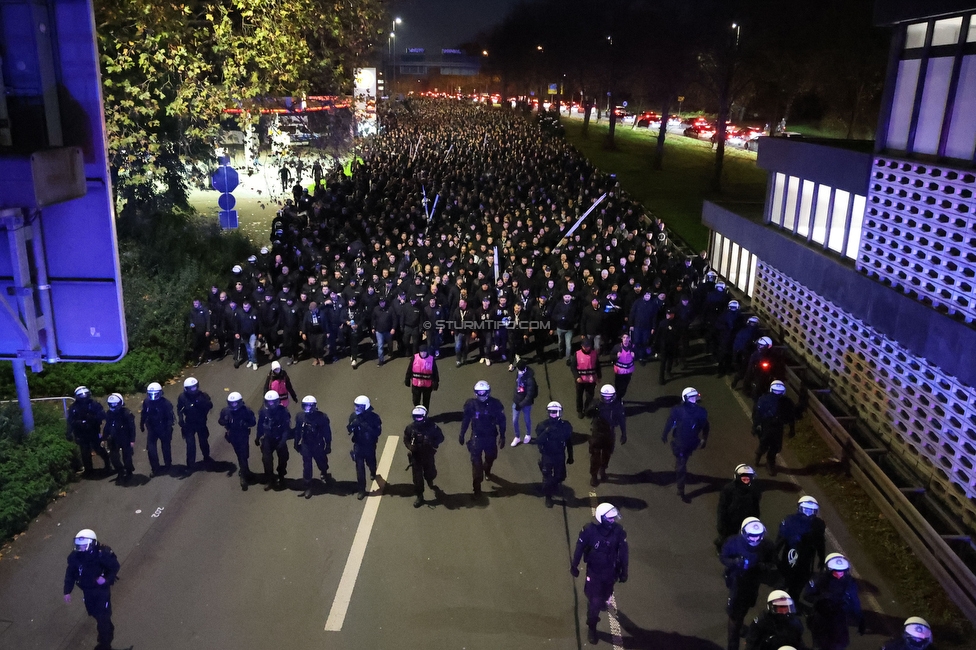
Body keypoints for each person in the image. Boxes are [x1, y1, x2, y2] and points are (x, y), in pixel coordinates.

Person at [570, 503, 629, 646]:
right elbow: (580, 548)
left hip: (610, 572)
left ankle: (597, 601)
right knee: (595, 602)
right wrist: (574, 565)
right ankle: (592, 626)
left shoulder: (619, 532)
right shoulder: (590, 531)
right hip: (595, 573)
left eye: (613, 518)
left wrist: (624, 571)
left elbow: (624, 553)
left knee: (607, 595)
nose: (613, 520)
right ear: (601, 518)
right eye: (609, 518)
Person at [720, 517, 777, 650]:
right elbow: (723, 557)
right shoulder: (733, 542)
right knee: (734, 614)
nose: (755, 540)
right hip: (737, 581)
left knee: (747, 606)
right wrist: (735, 562)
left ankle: (739, 625)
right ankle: (732, 644)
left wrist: (765, 566)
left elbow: (773, 560)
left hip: (753, 582)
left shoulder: (767, 545)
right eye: (752, 536)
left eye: (758, 536)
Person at [803, 553, 864, 650]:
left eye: (842, 572)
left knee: (841, 643)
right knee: (819, 645)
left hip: (839, 616)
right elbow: (806, 596)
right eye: (836, 572)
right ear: (828, 570)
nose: (839, 575)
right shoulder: (817, 580)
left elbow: (855, 600)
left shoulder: (849, 582)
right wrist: (822, 597)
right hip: (821, 615)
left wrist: (861, 620)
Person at [661, 387, 710, 502]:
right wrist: (665, 433)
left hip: (690, 442)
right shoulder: (679, 410)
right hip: (681, 442)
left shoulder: (700, 412)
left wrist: (704, 439)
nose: (694, 399)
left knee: (681, 463)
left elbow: (705, 426)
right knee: (681, 464)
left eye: (695, 397)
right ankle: (681, 488)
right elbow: (670, 422)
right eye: (691, 397)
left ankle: (680, 482)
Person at [459, 380, 507, 496]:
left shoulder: (495, 404)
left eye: (483, 392)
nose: (481, 395)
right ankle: (477, 489)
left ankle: (487, 470)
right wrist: (462, 433)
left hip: (490, 437)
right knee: (476, 464)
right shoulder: (471, 405)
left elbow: (502, 421)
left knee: (491, 457)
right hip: (477, 437)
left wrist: (503, 435)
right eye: (479, 392)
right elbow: (466, 420)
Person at [776, 496, 826, 601]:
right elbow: (780, 539)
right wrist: (774, 555)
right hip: (791, 554)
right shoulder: (789, 520)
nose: (808, 513)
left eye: (811, 511)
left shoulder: (818, 525)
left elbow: (820, 542)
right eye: (806, 510)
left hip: (806, 557)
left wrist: (822, 557)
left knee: (800, 581)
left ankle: (793, 600)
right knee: (786, 577)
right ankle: (781, 598)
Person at [403, 405, 445, 507]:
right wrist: (410, 447)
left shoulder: (432, 427)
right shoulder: (410, 428)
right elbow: (406, 439)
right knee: (417, 478)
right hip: (416, 456)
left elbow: (441, 437)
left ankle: (430, 480)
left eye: (420, 417)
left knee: (430, 473)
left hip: (428, 455)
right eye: (415, 417)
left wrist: (432, 443)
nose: (418, 419)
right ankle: (420, 496)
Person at [535, 401, 574, 508]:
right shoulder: (542, 425)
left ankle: (552, 484)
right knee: (547, 478)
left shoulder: (565, 426)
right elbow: (538, 441)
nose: (553, 414)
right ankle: (548, 496)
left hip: (560, 455)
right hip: (547, 455)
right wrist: (546, 432)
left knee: (561, 476)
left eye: (556, 412)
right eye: (551, 412)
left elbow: (569, 442)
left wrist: (570, 456)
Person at [752, 380, 796, 475]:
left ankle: (769, 463)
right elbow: (758, 413)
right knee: (765, 442)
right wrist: (755, 426)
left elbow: (791, 415)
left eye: (779, 392)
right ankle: (759, 453)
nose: (778, 393)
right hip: (767, 425)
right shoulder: (765, 399)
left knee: (775, 446)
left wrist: (792, 428)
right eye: (776, 391)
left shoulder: (786, 402)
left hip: (778, 427)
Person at [293, 395, 333, 499]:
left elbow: (327, 432)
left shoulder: (322, 417)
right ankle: (308, 486)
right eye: (306, 406)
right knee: (307, 466)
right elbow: (297, 431)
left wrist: (328, 444)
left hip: (318, 444)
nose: (308, 408)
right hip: (306, 444)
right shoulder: (300, 417)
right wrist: (296, 442)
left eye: (310, 406)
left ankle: (324, 472)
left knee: (322, 462)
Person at [716, 464, 762, 552]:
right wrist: (721, 524)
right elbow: (722, 508)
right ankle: (720, 547)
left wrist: (755, 519)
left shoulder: (754, 490)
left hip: (746, 520)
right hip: (730, 520)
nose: (746, 480)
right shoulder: (728, 489)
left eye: (748, 478)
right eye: (743, 478)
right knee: (726, 537)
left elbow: (756, 506)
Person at [66, 386, 110, 475]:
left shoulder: (94, 404)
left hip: (93, 430)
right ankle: (89, 470)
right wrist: (69, 432)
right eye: (81, 396)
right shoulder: (73, 408)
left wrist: (93, 419)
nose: (84, 398)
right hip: (81, 433)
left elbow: (102, 416)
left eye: (85, 395)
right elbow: (70, 421)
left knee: (99, 449)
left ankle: (108, 465)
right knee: (85, 452)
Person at [218, 391, 256, 490]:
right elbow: (220, 421)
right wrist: (225, 421)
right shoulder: (225, 411)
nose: (233, 405)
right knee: (240, 455)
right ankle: (244, 475)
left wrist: (245, 424)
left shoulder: (246, 410)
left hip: (243, 435)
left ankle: (245, 470)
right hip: (233, 436)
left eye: (235, 403)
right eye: (231, 403)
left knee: (245, 454)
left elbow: (253, 422)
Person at [348, 395, 383, 500]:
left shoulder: (374, 417)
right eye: (356, 406)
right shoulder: (353, 416)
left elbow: (378, 432)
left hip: (370, 445)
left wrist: (365, 425)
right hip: (358, 445)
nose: (356, 408)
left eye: (359, 406)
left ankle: (373, 471)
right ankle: (361, 489)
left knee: (371, 462)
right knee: (359, 468)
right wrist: (352, 426)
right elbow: (349, 429)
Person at [256, 390, 292, 491]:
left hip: (280, 438)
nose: (270, 404)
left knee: (284, 458)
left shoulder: (283, 412)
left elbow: (286, 428)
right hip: (268, 438)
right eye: (268, 402)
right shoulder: (263, 411)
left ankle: (281, 476)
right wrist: (258, 437)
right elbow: (260, 425)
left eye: (272, 402)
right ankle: (270, 479)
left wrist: (283, 441)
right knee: (266, 460)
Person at [177, 377, 213, 473]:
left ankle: (206, 457)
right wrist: (180, 420)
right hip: (189, 424)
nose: (194, 390)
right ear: (186, 389)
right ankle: (190, 464)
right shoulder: (182, 397)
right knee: (190, 445)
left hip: (201, 422)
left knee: (203, 441)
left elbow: (210, 405)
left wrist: (202, 404)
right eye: (191, 388)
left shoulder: (203, 396)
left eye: (195, 387)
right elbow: (179, 409)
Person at [140, 382, 174, 478]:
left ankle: (168, 465)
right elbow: (144, 413)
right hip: (152, 429)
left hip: (164, 428)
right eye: (151, 395)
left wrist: (168, 428)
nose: (153, 397)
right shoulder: (146, 402)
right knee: (151, 450)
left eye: (156, 394)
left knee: (166, 448)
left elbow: (170, 418)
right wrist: (141, 424)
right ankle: (155, 468)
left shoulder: (166, 403)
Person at [103, 393, 136, 485]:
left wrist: (132, 440)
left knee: (127, 458)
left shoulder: (127, 413)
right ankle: (120, 471)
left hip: (125, 438)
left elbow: (132, 428)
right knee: (114, 457)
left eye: (115, 404)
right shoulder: (109, 413)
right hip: (114, 438)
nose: (113, 406)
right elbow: (107, 426)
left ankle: (129, 472)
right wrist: (104, 438)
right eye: (111, 404)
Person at [569, 337, 601, 418]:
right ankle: (579, 410)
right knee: (579, 396)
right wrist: (577, 377)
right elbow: (573, 367)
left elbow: (597, 366)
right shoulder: (577, 354)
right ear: (582, 346)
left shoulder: (594, 354)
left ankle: (587, 410)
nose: (586, 348)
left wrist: (599, 376)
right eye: (585, 346)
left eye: (588, 346)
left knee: (590, 396)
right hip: (580, 380)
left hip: (591, 379)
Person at [510, 358, 538, 446]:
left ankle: (528, 435)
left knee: (527, 420)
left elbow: (529, 395)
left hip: (526, 404)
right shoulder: (518, 372)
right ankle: (517, 437)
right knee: (514, 420)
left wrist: (520, 404)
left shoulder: (530, 379)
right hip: (517, 400)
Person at [404, 343, 439, 410]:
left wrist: (436, 382)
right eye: (421, 352)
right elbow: (409, 369)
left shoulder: (431, 359)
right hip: (416, 384)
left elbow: (435, 372)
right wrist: (407, 379)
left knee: (426, 401)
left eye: (424, 352)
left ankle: (425, 414)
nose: (423, 353)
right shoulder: (414, 357)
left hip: (427, 385)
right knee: (415, 400)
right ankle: (418, 411)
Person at [610, 333, 636, 400]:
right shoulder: (617, 347)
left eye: (627, 338)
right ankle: (618, 399)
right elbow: (611, 356)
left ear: (629, 339)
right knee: (618, 386)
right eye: (624, 338)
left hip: (628, 371)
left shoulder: (632, 347)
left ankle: (619, 397)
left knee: (624, 387)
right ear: (621, 338)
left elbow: (639, 355)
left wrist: (635, 355)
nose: (625, 340)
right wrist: (616, 356)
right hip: (619, 371)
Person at [188, 298, 212, 367]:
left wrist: (208, 330)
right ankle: (196, 361)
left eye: (196, 303)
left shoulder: (204, 310)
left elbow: (208, 320)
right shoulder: (192, 311)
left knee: (206, 345)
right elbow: (191, 319)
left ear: (199, 303)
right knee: (196, 346)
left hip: (204, 331)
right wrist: (191, 323)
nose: (195, 305)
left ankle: (207, 358)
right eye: (194, 304)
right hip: (196, 332)